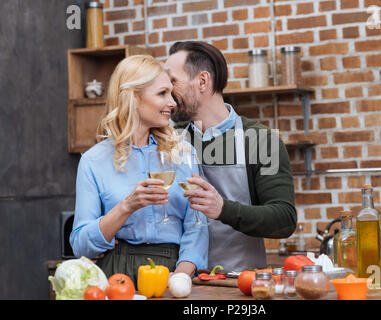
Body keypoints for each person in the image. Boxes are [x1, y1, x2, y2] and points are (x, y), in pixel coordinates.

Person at [70, 55, 208, 286]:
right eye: (162, 93)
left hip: (173, 269)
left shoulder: (183, 153)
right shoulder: (93, 161)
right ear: (133, 97)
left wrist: (182, 274)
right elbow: (81, 245)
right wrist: (127, 206)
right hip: (116, 273)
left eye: (171, 93)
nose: (173, 103)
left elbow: (197, 226)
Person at [166, 41, 297, 272]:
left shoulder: (261, 140)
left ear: (203, 81)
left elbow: (283, 219)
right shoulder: (170, 143)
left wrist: (222, 209)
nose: (168, 92)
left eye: (173, 81)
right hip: (180, 282)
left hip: (238, 284)